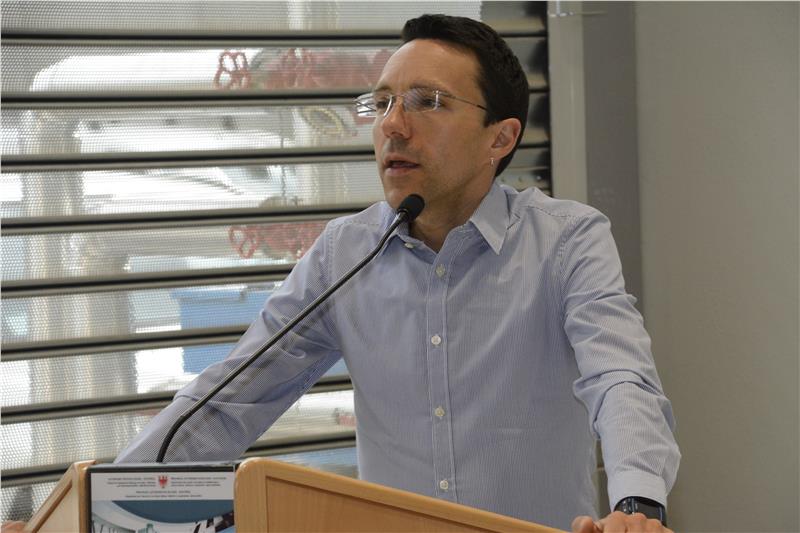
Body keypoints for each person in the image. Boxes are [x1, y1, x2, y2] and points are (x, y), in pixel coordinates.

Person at [115, 14, 679, 533]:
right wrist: (107, 502)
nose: (393, 125)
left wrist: (637, 504)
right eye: (382, 103)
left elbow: (620, 379)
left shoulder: (566, 240)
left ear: (500, 137)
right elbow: (231, 397)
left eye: (427, 102)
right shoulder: (345, 252)